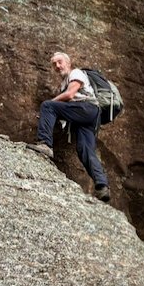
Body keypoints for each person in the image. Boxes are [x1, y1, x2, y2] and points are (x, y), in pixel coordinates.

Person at [27, 52, 110, 202]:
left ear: (68, 62)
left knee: (47, 105)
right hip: (86, 117)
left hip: (87, 108)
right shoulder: (64, 83)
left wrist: (50, 106)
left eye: (60, 62)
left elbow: (70, 95)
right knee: (84, 149)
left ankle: (45, 144)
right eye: (54, 65)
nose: (57, 66)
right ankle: (102, 186)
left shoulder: (76, 73)